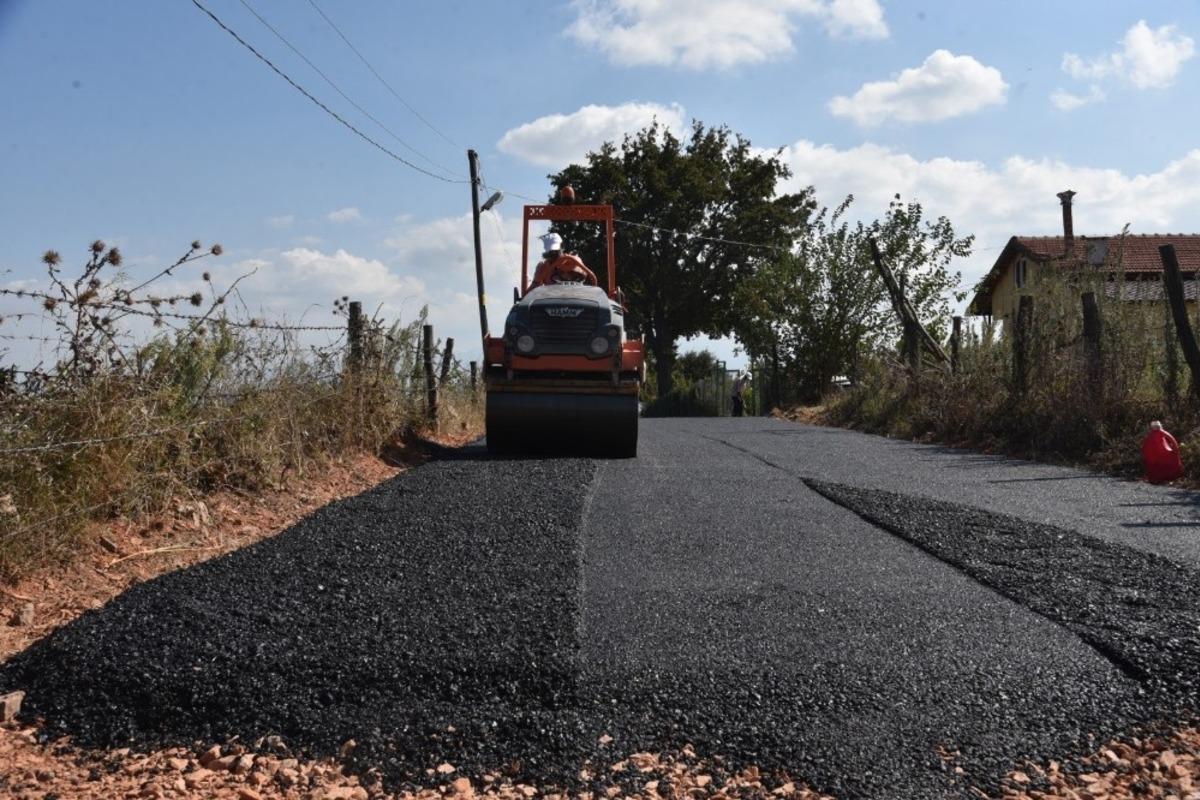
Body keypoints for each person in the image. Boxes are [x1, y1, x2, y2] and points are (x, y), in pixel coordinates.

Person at [531, 232, 598, 288]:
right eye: (550, 253)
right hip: (552, 299)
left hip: (577, 298)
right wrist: (537, 280)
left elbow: (587, 277)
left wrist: (571, 271)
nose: (553, 255)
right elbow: (533, 291)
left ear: (561, 248)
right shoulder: (543, 267)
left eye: (555, 252)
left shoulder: (573, 261)